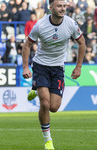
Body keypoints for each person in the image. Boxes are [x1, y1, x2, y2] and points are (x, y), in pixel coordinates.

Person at [22, 0, 86, 149]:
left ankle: (35, 89)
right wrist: (26, 67)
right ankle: (48, 140)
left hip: (58, 68)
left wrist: (79, 67)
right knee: (45, 103)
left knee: (54, 107)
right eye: (59, 6)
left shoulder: (70, 24)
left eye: (64, 6)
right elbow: (27, 45)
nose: (63, 9)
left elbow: (82, 43)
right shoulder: (40, 25)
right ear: (50, 7)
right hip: (41, 66)